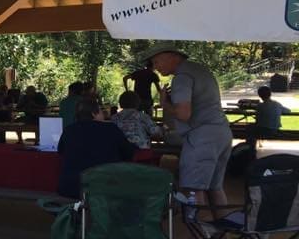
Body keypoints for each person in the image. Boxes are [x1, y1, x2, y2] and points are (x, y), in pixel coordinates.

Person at [144, 42, 233, 215]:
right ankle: (223, 229)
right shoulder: (200, 70)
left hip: (202, 137)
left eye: (156, 62)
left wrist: (164, 103)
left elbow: (183, 114)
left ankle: (195, 230)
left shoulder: (182, 76)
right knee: (215, 188)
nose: (155, 67)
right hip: (221, 133)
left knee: (193, 189)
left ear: (172, 57)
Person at [57, 97, 136, 199]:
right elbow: (128, 152)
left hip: (70, 188)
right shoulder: (111, 129)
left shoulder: (69, 130)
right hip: (104, 188)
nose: (103, 114)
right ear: (94, 114)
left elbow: (61, 152)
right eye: (101, 111)